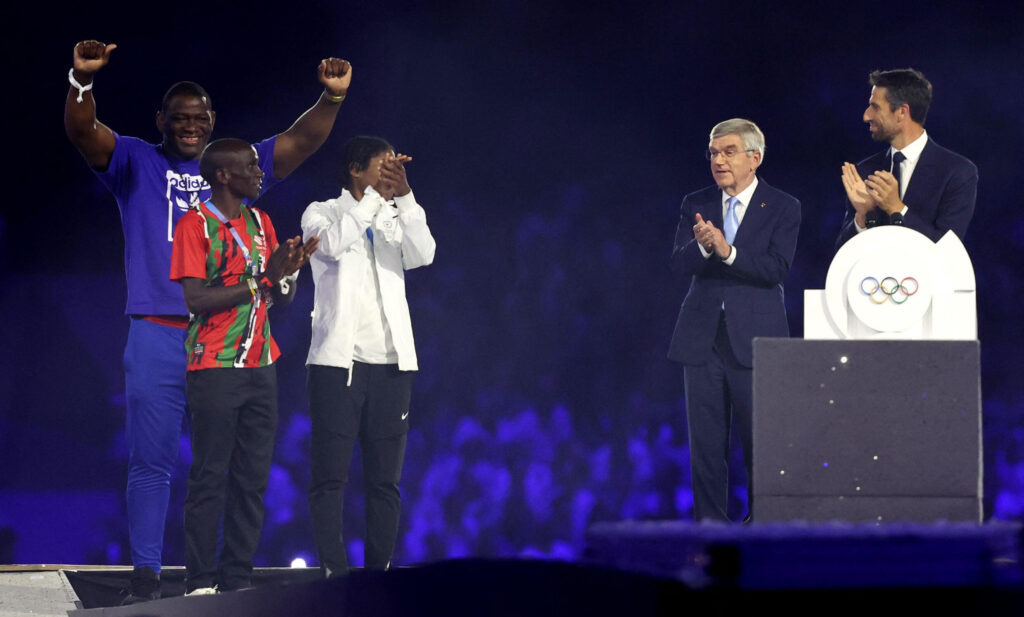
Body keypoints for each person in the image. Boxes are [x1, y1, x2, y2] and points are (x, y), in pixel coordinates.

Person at [64, 39, 350, 603]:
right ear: (161, 122)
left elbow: (300, 141)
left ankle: (226, 581)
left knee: (229, 469)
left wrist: (332, 99)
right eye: (180, 118)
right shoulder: (136, 161)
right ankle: (147, 579)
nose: (190, 127)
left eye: (200, 118)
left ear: (213, 121)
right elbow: (83, 132)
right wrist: (82, 82)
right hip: (159, 331)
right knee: (152, 463)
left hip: (227, 340)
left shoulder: (238, 165)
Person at [170, 138, 319, 594]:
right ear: (223, 175)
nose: (260, 173)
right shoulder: (194, 225)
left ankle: (236, 580)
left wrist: (290, 271)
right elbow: (196, 299)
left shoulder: (261, 221)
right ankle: (200, 581)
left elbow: (280, 295)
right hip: (214, 364)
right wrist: (264, 279)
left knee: (252, 480)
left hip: (261, 364)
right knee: (209, 477)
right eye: (251, 167)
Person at [301, 136, 435, 576]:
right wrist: (375, 200)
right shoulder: (322, 212)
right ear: (356, 169)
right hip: (337, 365)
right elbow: (330, 245)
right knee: (330, 477)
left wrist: (406, 197)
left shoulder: (394, 215)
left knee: (385, 482)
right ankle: (334, 574)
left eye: (396, 168)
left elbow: (424, 254)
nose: (390, 175)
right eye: (384, 166)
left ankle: (379, 576)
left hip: (393, 367)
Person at [667, 119, 801, 523]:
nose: (719, 160)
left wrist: (728, 252)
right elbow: (678, 264)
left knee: (762, 446)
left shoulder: (783, 206)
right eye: (713, 153)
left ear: (754, 158)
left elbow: (776, 268)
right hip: (702, 341)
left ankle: (762, 530)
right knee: (706, 449)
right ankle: (710, 532)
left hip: (755, 343)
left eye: (728, 152)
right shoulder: (696, 202)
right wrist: (704, 249)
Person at [836, 68, 977, 249]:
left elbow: (947, 249)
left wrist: (897, 208)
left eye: (875, 107)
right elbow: (842, 256)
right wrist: (863, 216)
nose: (866, 116)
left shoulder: (957, 172)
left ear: (902, 112)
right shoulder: (864, 171)